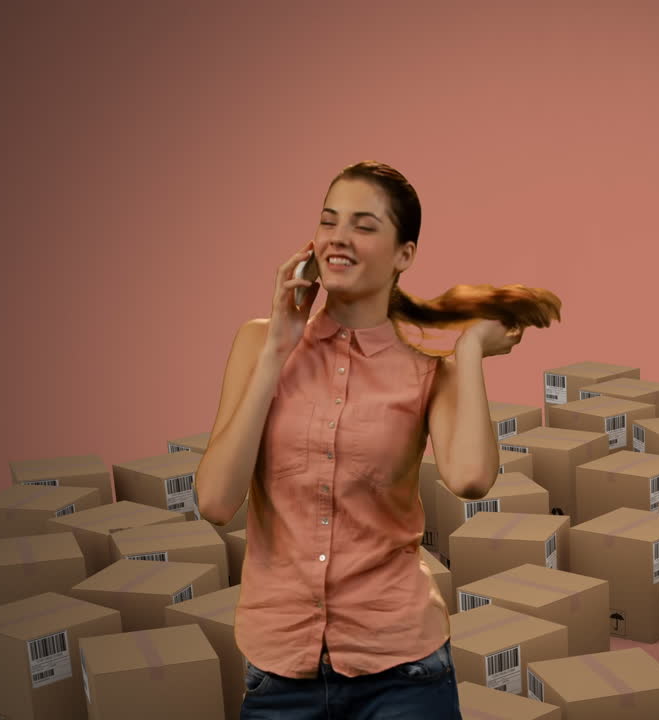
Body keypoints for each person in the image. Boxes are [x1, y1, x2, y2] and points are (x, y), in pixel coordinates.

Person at [193, 160, 562, 720]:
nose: (339, 237)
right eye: (329, 221)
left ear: (403, 255)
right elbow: (215, 502)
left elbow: (470, 479)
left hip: (402, 671)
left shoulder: (426, 362)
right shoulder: (258, 344)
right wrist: (278, 349)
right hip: (278, 671)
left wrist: (467, 353)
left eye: (364, 226)